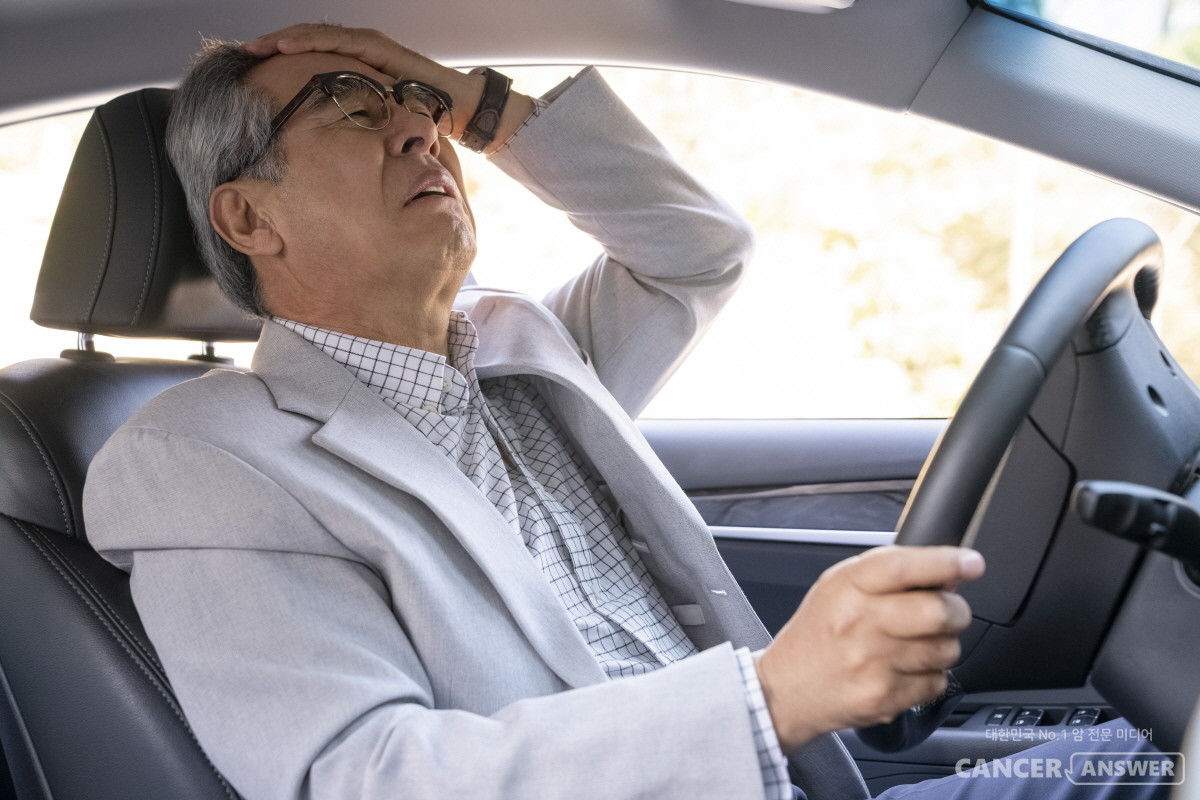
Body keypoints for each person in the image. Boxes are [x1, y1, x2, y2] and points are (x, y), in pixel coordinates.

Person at [82, 23, 1169, 800]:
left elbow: (701, 250)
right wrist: (770, 695)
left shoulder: (518, 342)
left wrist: (484, 102)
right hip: (740, 753)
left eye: (423, 111)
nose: (423, 134)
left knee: (1149, 750)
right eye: (358, 110)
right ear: (246, 215)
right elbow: (360, 773)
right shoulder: (198, 459)